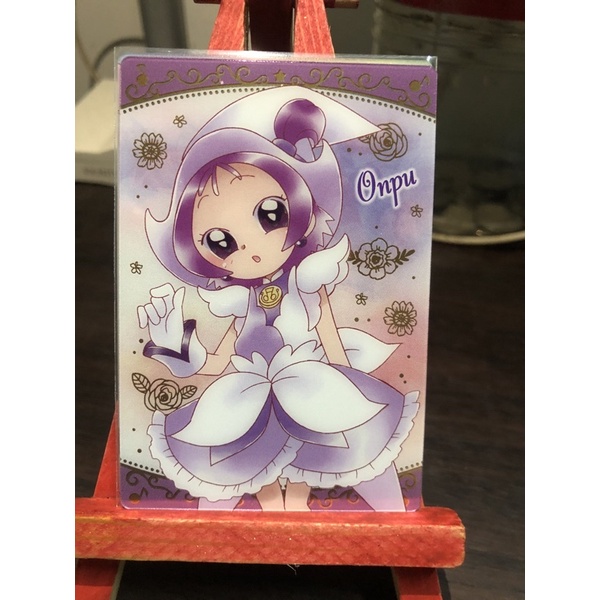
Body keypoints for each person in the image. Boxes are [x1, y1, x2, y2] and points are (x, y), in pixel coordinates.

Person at [137, 87, 419, 511]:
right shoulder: (238, 300)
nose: (251, 250)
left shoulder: (308, 278)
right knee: (229, 467)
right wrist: (176, 349)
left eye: (271, 214)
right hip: (248, 392)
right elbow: (219, 359)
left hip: (311, 380)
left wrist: (347, 377)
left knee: (347, 442)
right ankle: (257, 518)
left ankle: (362, 517)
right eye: (219, 241)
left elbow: (327, 332)